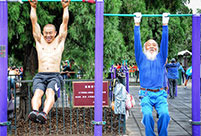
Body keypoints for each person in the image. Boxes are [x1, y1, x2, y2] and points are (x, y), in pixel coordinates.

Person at [28, 0, 70, 124]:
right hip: (40, 75)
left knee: (50, 92)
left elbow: (65, 22)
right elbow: (34, 22)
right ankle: (35, 111)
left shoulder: (59, 41)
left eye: (50, 33)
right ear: (42, 33)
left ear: (55, 33)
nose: (48, 35)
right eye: (45, 33)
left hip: (54, 76)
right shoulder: (40, 41)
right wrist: (33, 7)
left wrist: (65, 7)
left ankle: (44, 114)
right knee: (38, 93)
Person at [134, 12, 170, 136]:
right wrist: (137, 24)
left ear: (157, 48)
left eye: (154, 45)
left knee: (165, 114)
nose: (151, 46)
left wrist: (165, 24)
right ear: (145, 48)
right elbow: (137, 44)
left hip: (160, 94)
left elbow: (165, 43)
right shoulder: (141, 58)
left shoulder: (161, 57)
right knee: (147, 115)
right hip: (146, 94)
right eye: (148, 45)